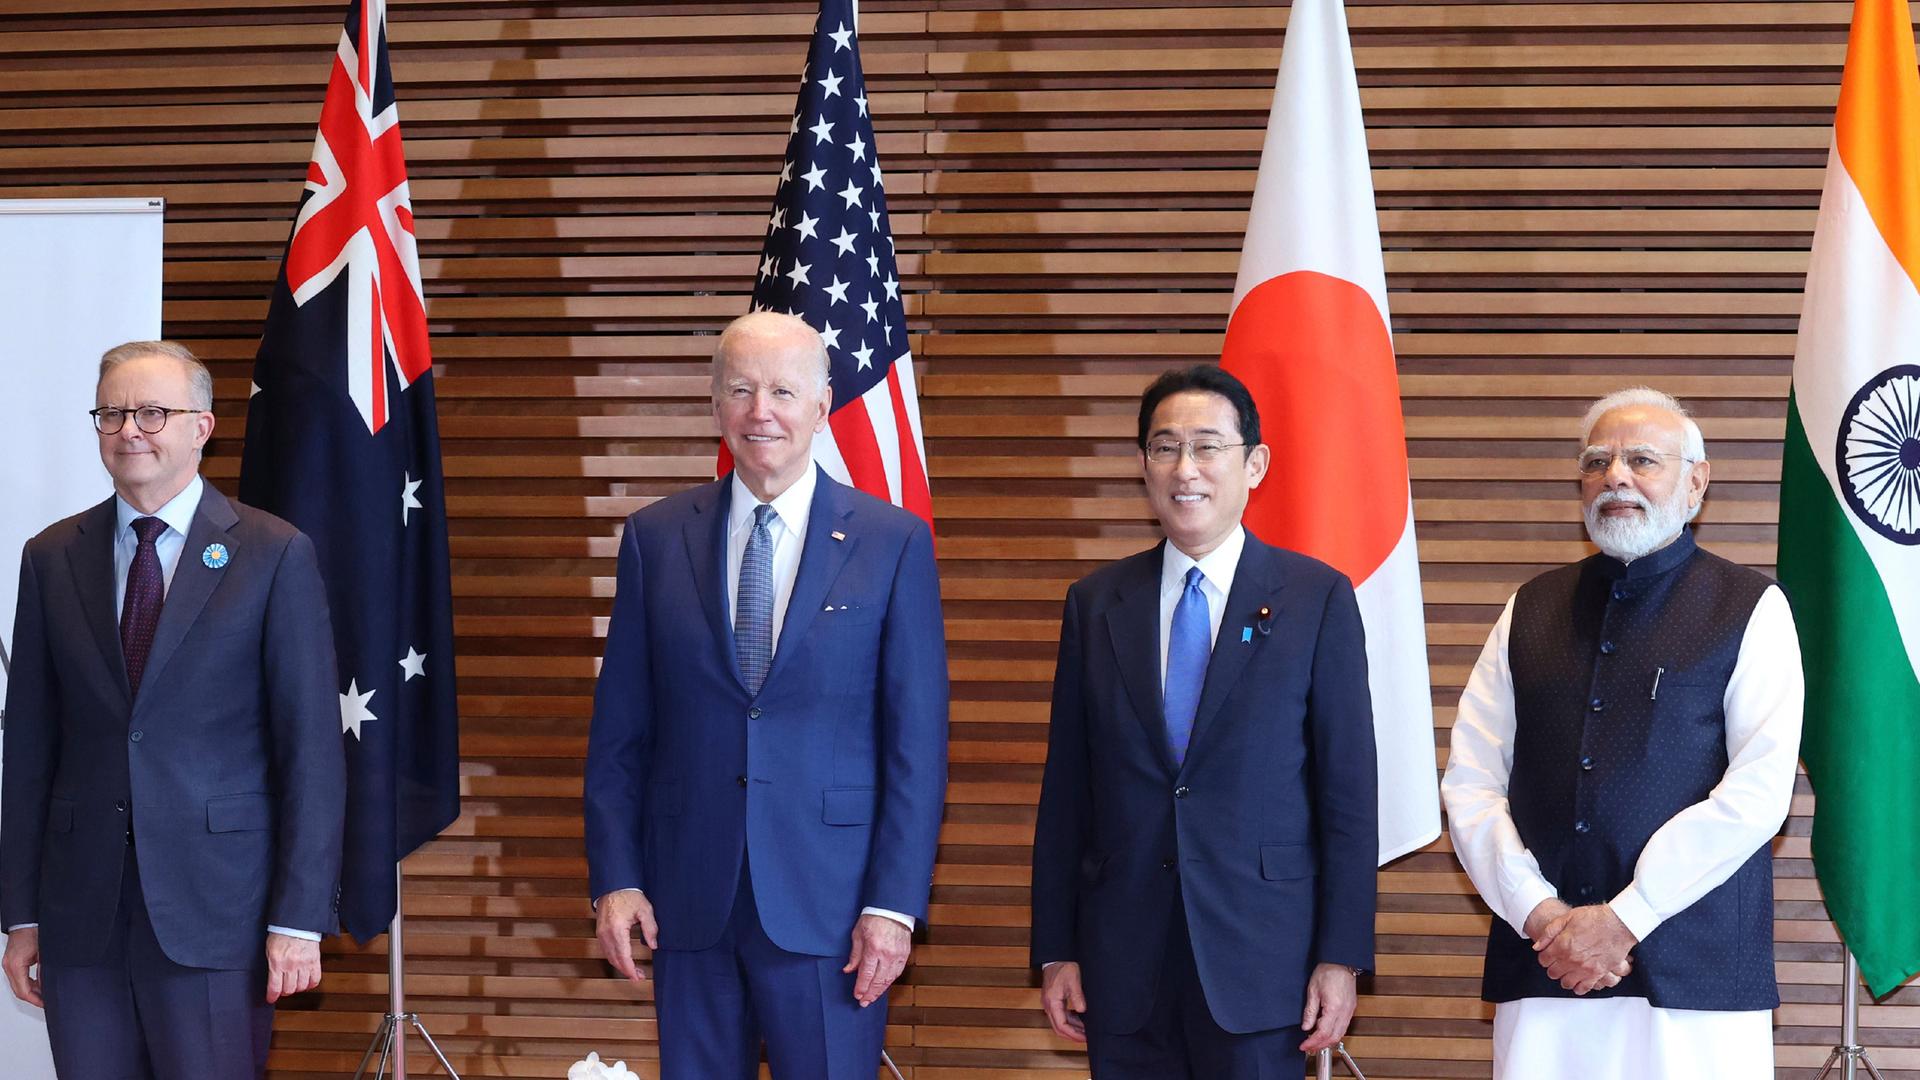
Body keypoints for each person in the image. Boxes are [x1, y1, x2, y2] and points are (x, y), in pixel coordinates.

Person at [584, 311, 949, 1079]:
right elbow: (620, 734)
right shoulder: (655, 538)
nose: (762, 412)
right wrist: (617, 880)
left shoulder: (893, 542)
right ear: (715, 405)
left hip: (835, 910)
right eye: (742, 390)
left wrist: (893, 906)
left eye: (783, 390)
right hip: (688, 902)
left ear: (821, 406)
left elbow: (916, 745)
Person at [1, 340, 346, 1078]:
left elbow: (311, 752)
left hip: (221, 913)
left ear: (202, 427)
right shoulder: (51, 556)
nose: (131, 430)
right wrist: (21, 915)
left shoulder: (271, 553)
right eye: (114, 413)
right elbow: (29, 748)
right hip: (79, 916)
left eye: (154, 413)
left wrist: (298, 918)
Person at [1441, 387, 1803, 1079]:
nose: (1616, 476)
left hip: (1695, 986)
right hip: (1544, 963)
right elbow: (1470, 781)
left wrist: (1625, 917)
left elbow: (1758, 793)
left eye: (1643, 459)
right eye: (1597, 461)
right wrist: (1542, 916)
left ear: (1696, 481)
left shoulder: (1752, 607)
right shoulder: (1530, 608)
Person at [1029, 364, 1378, 1077]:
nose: (1185, 469)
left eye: (1208, 446)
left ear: (1254, 465)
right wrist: (1056, 946)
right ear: (1143, 466)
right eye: (1165, 447)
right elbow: (1067, 790)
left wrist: (1341, 957)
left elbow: (1348, 796)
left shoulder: (1316, 599)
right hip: (1121, 962)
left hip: (1262, 963)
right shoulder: (1096, 603)